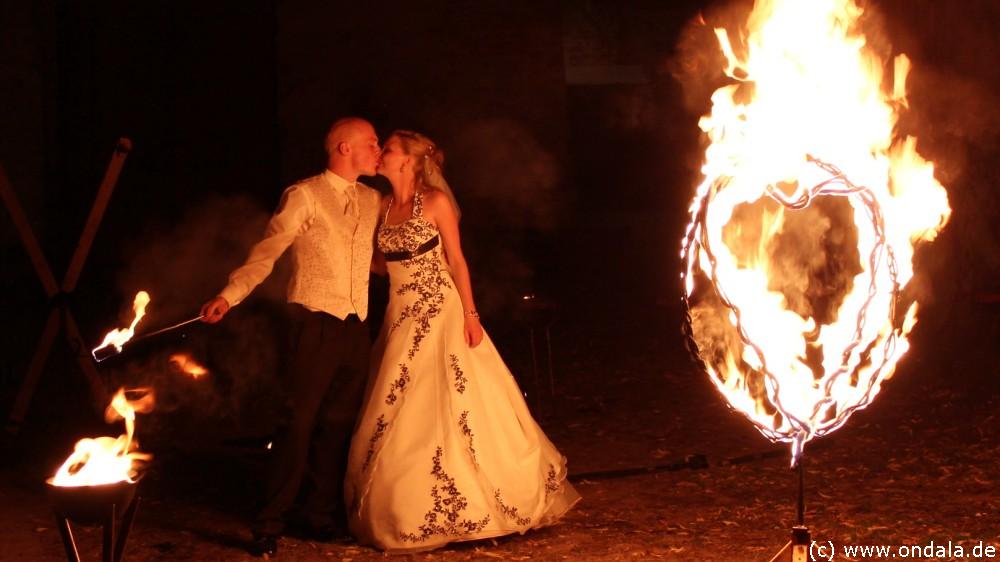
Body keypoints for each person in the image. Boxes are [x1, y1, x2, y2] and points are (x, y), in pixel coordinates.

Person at [344, 130, 580, 553]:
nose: (381, 154)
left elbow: (456, 260)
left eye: (390, 149)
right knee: (400, 402)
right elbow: (380, 264)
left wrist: (471, 315)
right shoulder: (381, 207)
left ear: (410, 161)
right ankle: (405, 507)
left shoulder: (434, 202)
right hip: (401, 315)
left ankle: (487, 502)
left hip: (442, 312)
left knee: (455, 398)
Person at [200, 117, 382, 557]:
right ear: (343, 148)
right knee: (297, 426)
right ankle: (268, 523)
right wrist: (230, 294)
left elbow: (375, 260)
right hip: (312, 323)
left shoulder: (373, 198)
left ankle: (317, 517)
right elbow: (267, 251)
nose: (378, 150)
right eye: (372, 143)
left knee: (337, 425)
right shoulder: (304, 195)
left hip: (356, 327)